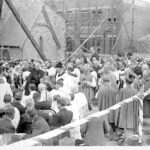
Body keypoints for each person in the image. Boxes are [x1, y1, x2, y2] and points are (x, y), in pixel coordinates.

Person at [115, 70, 138, 145]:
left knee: (124, 126)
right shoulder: (135, 91)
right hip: (132, 110)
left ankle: (124, 140)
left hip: (123, 110)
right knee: (130, 127)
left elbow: (118, 101)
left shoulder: (122, 90)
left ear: (125, 81)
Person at [96, 75, 117, 139]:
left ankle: (106, 134)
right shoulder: (113, 89)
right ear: (109, 81)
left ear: (103, 81)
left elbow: (97, 99)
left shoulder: (100, 90)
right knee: (110, 122)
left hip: (103, 108)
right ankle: (111, 134)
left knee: (105, 121)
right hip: (111, 108)